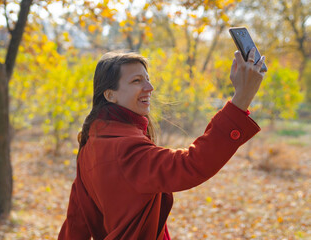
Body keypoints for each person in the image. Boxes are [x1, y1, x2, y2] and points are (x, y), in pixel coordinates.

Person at [58, 48, 266, 240]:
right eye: (137, 81)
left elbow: (76, 221)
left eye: (147, 79)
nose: (150, 87)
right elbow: (191, 164)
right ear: (110, 94)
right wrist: (241, 100)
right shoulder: (126, 149)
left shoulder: (90, 144)